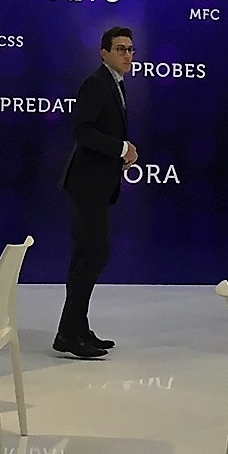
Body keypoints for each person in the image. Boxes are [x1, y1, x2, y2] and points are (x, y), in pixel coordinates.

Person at [55, 25, 136, 359]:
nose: (127, 55)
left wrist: (119, 154)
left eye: (130, 49)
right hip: (86, 186)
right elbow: (82, 131)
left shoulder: (113, 83)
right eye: (120, 49)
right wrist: (121, 148)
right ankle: (69, 332)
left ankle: (74, 329)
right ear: (104, 53)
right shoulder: (96, 83)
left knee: (85, 257)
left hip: (97, 185)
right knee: (93, 256)